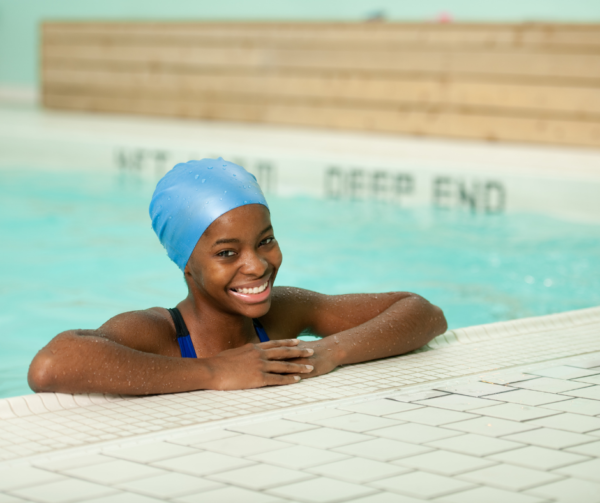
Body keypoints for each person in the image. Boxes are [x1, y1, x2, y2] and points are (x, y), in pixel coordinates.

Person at [28, 159, 447, 395]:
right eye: (227, 253)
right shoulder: (159, 334)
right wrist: (213, 372)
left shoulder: (282, 312)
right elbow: (49, 367)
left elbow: (423, 312)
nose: (256, 265)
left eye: (265, 241)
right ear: (186, 264)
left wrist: (329, 352)